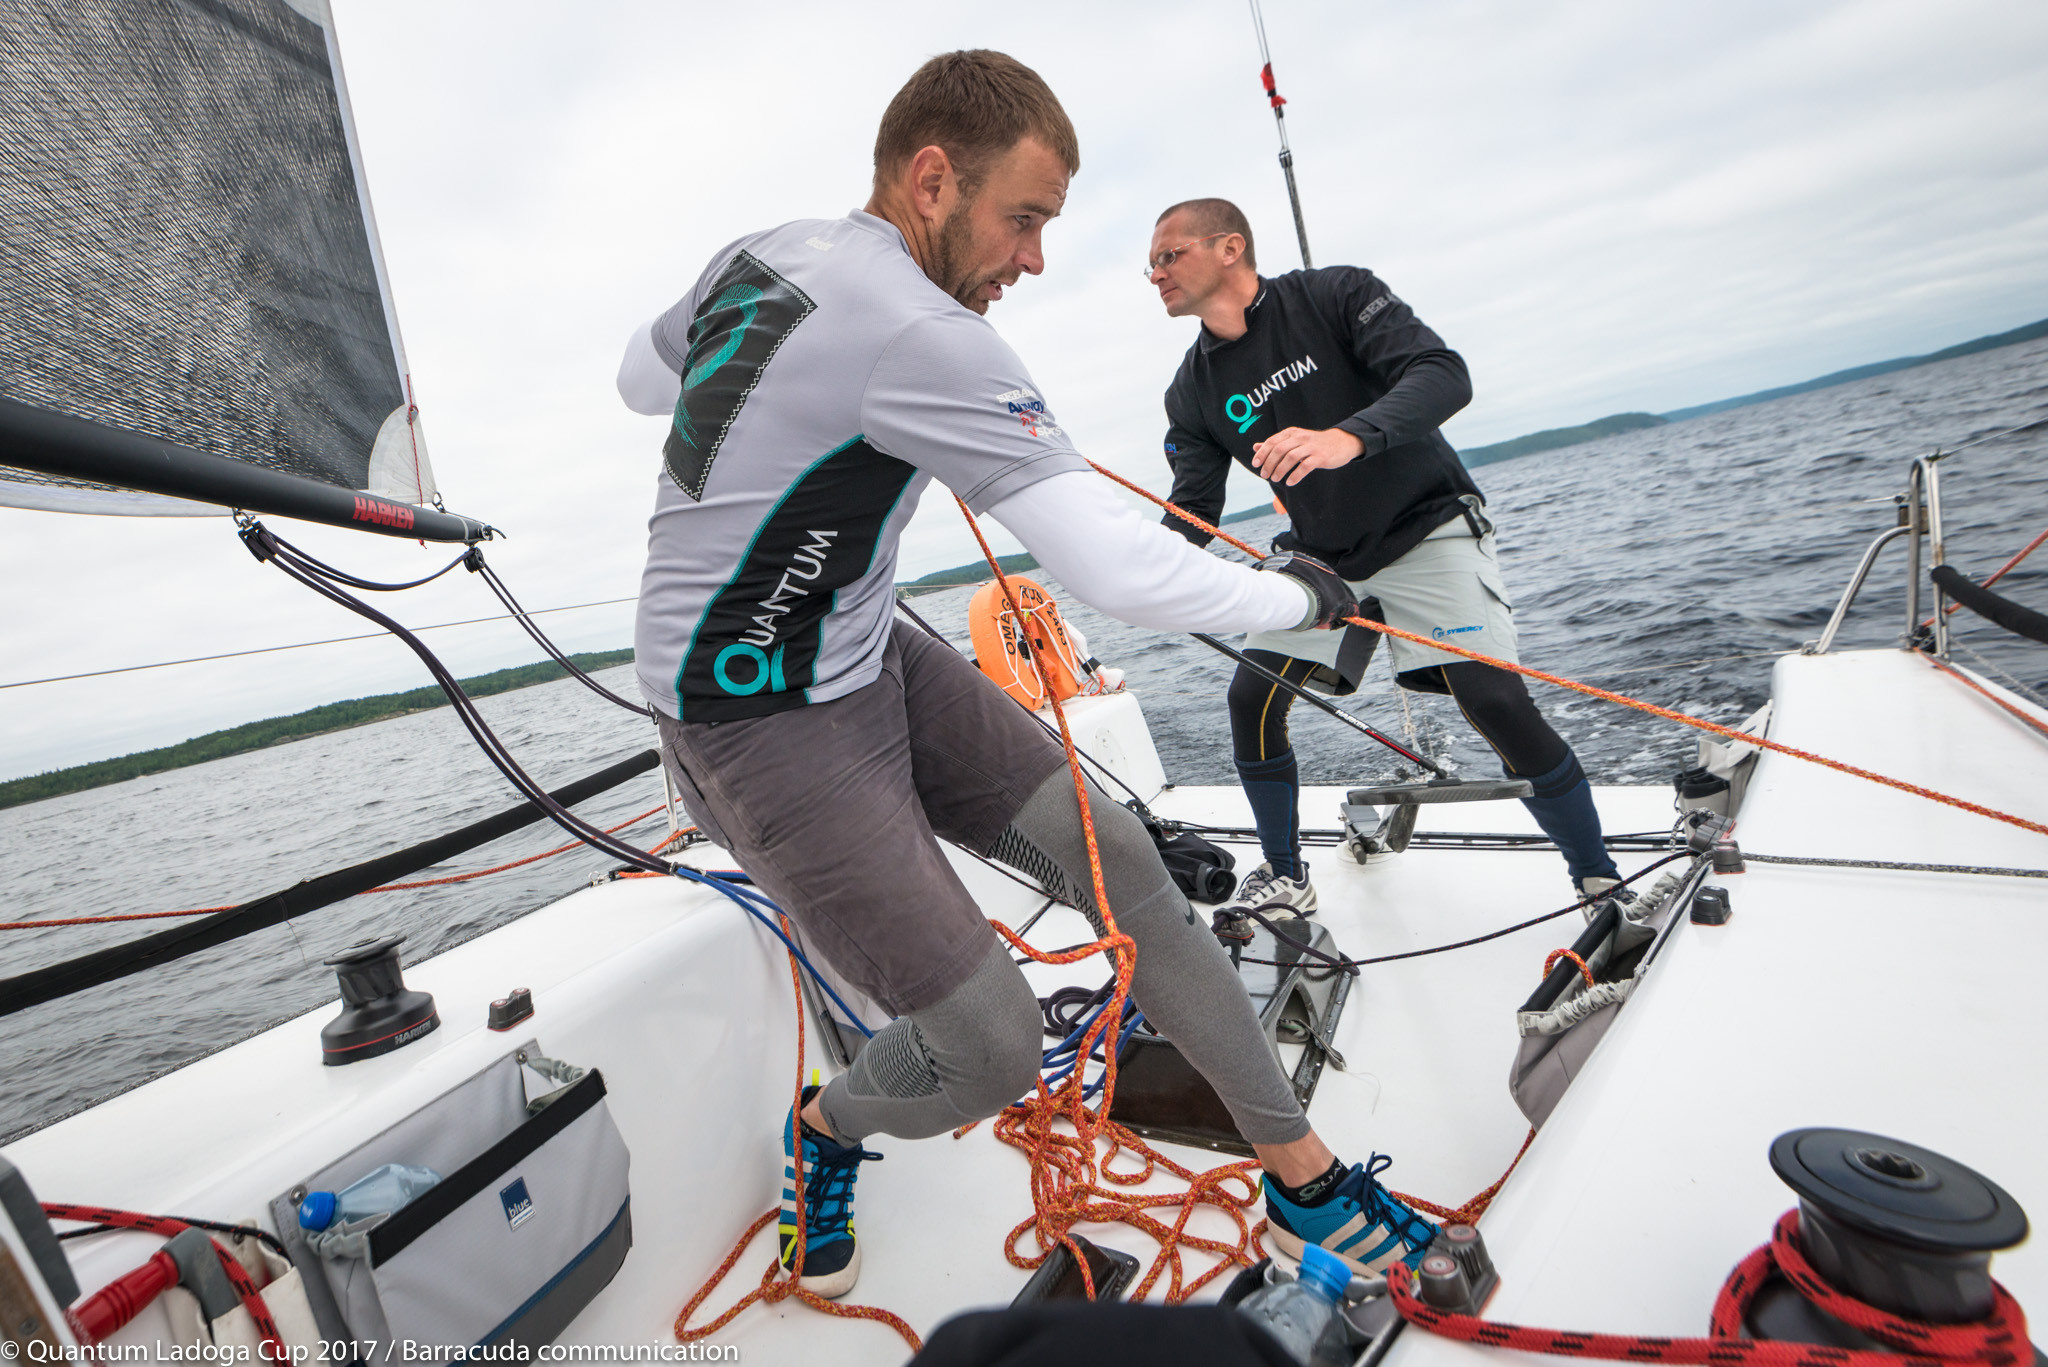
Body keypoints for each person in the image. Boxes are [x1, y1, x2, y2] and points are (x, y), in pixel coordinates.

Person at [616, 53, 1435, 1298]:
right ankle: (825, 1129)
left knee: (1133, 879)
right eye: (1025, 219)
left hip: (866, 644)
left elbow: (640, 375)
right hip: (753, 720)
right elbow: (1123, 570)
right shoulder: (920, 331)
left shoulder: (765, 250)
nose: (1034, 259)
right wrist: (1306, 597)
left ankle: (1301, 1178)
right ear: (932, 180)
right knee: (988, 1048)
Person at [1146, 198, 1626, 918]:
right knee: (1252, 697)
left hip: (1425, 526)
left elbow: (1443, 374)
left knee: (1493, 700)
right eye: (1149, 265)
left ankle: (1597, 879)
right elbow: (1194, 508)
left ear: (1229, 248)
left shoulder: (1336, 293)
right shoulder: (1192, 391)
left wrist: (1348, 436)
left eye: (1168, 256)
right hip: (1323, 561)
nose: (1155, 275)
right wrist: (1142, 567)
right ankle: (1285, 875)